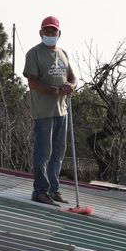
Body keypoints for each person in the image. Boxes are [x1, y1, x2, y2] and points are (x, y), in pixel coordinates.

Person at [23, 16, 77, 205]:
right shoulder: (34, 53)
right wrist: (53, 90)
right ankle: (40, 191)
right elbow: (32, 81)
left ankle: (54, 189)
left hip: (62, 110)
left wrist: (70, 86)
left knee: (58, 154)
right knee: (43, 153)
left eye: (53, 31)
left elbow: (72, 77)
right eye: (47, 31)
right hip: (44, 111)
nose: (50, 34)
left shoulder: (63, 53)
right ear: (41, 33)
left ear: (59, 33)